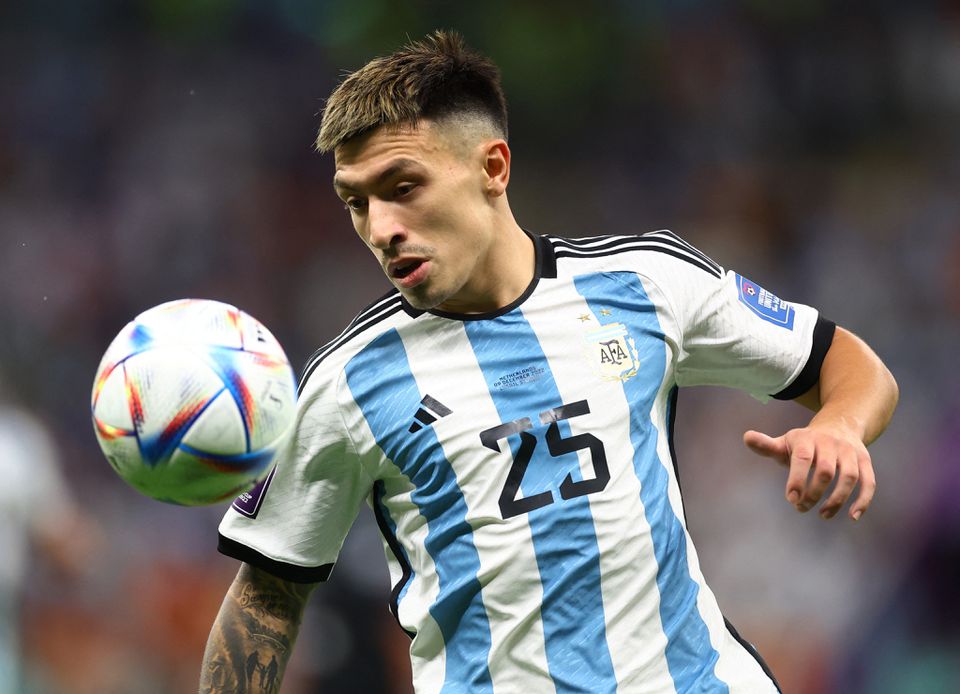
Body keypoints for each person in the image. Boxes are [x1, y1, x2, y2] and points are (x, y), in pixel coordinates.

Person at [199, 31, 898, 693]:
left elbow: (848, 364)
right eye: (357, 202)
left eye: (403, 186)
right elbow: (267, 594)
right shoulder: (347, 380)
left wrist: (839, 425)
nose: (380, 228)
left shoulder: (644, 283)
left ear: (492, 167)